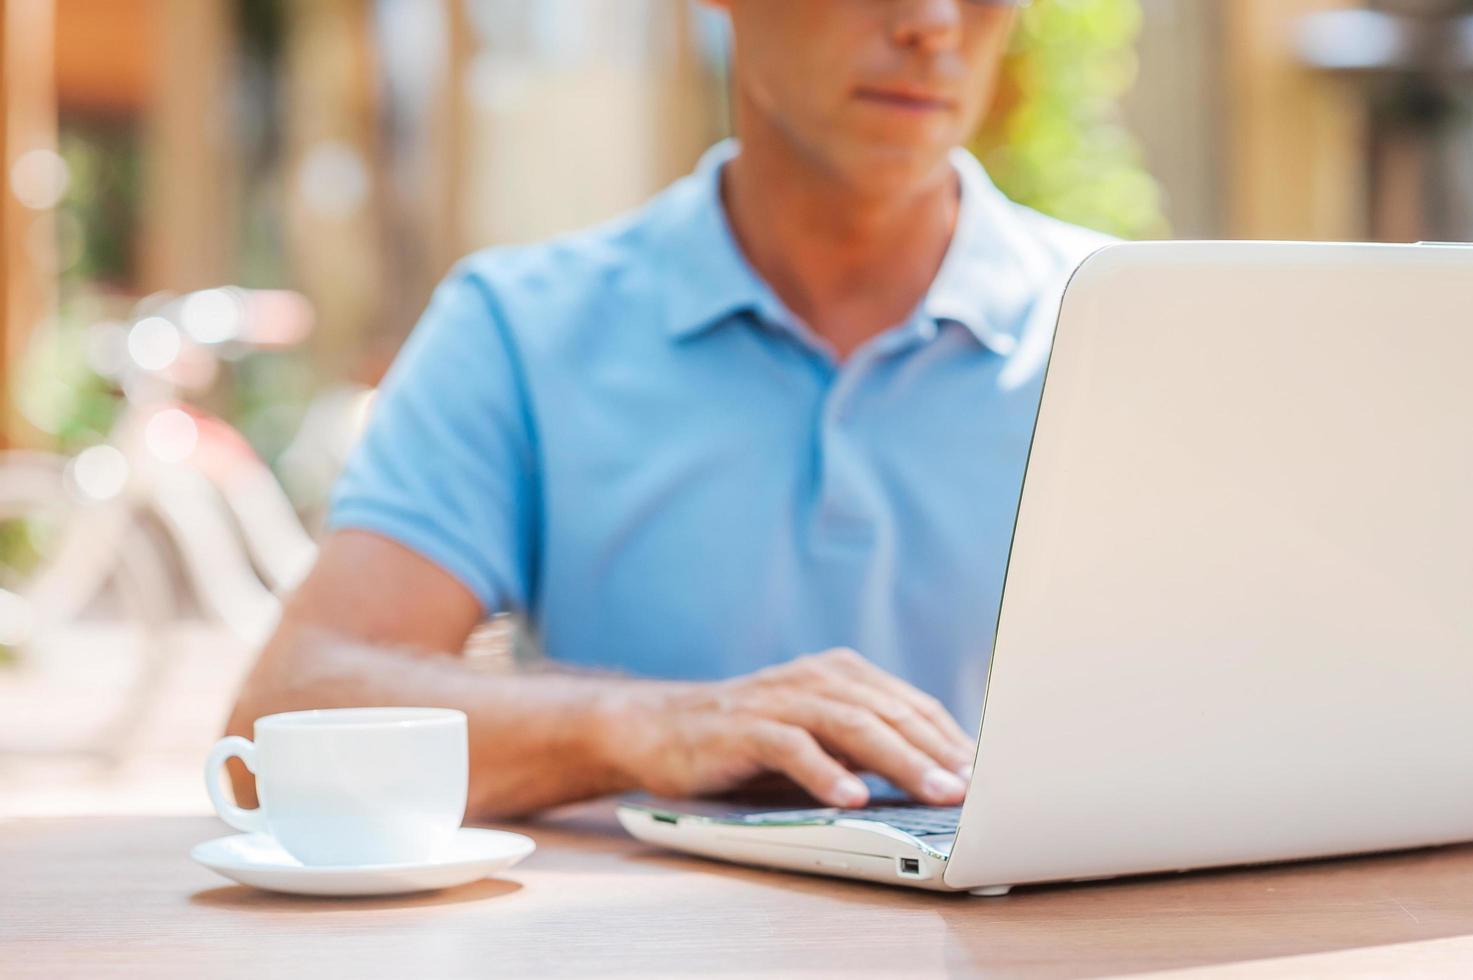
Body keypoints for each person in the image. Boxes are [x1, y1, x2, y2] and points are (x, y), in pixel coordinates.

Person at [227, 0, 1110, 818]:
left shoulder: (1130, 329)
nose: (933, 21)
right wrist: (647, 725)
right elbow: (273, 736)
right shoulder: (520, 329)